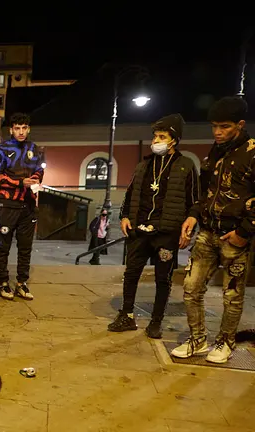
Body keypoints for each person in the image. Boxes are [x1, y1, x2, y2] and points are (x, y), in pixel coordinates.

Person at [173, 96, 254, 364]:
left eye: (224, 127)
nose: (217, 132)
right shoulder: (216, 150)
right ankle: (197, 340)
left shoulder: (253, 152)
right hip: (207, 232)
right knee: (191, 287)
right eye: (214, 127)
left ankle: (225, 342)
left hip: (235, 236)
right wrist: (193, 216)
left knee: (232, 295)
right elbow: (206, 191)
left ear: (240, 125)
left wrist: (243, 233)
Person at [108, 114, 199, 339]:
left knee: (162, 278)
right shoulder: (144, 164)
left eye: (162, 136)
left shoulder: (185, 166)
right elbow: (130, 194)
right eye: (155, 136)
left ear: (174, 140)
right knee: (131, 274)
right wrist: (125, 216)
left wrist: (189, 227)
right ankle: (126, 315)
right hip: (139, 230)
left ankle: (156, 321)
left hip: (166, 233)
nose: (156, 140)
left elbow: (195, 201)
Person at [0, 112, 44, 300]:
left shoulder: (35, 149)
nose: (21, 132)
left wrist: (35, 181)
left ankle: (22, 283)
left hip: (28, 206)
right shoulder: (2, 149)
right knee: (3, 246)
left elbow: (39, 171)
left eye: (24, 128)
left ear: (28, 129)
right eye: (17, 128)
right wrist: (21, 183)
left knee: (25, 247)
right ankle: (3, 283)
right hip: (8, 205)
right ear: (11, 130)